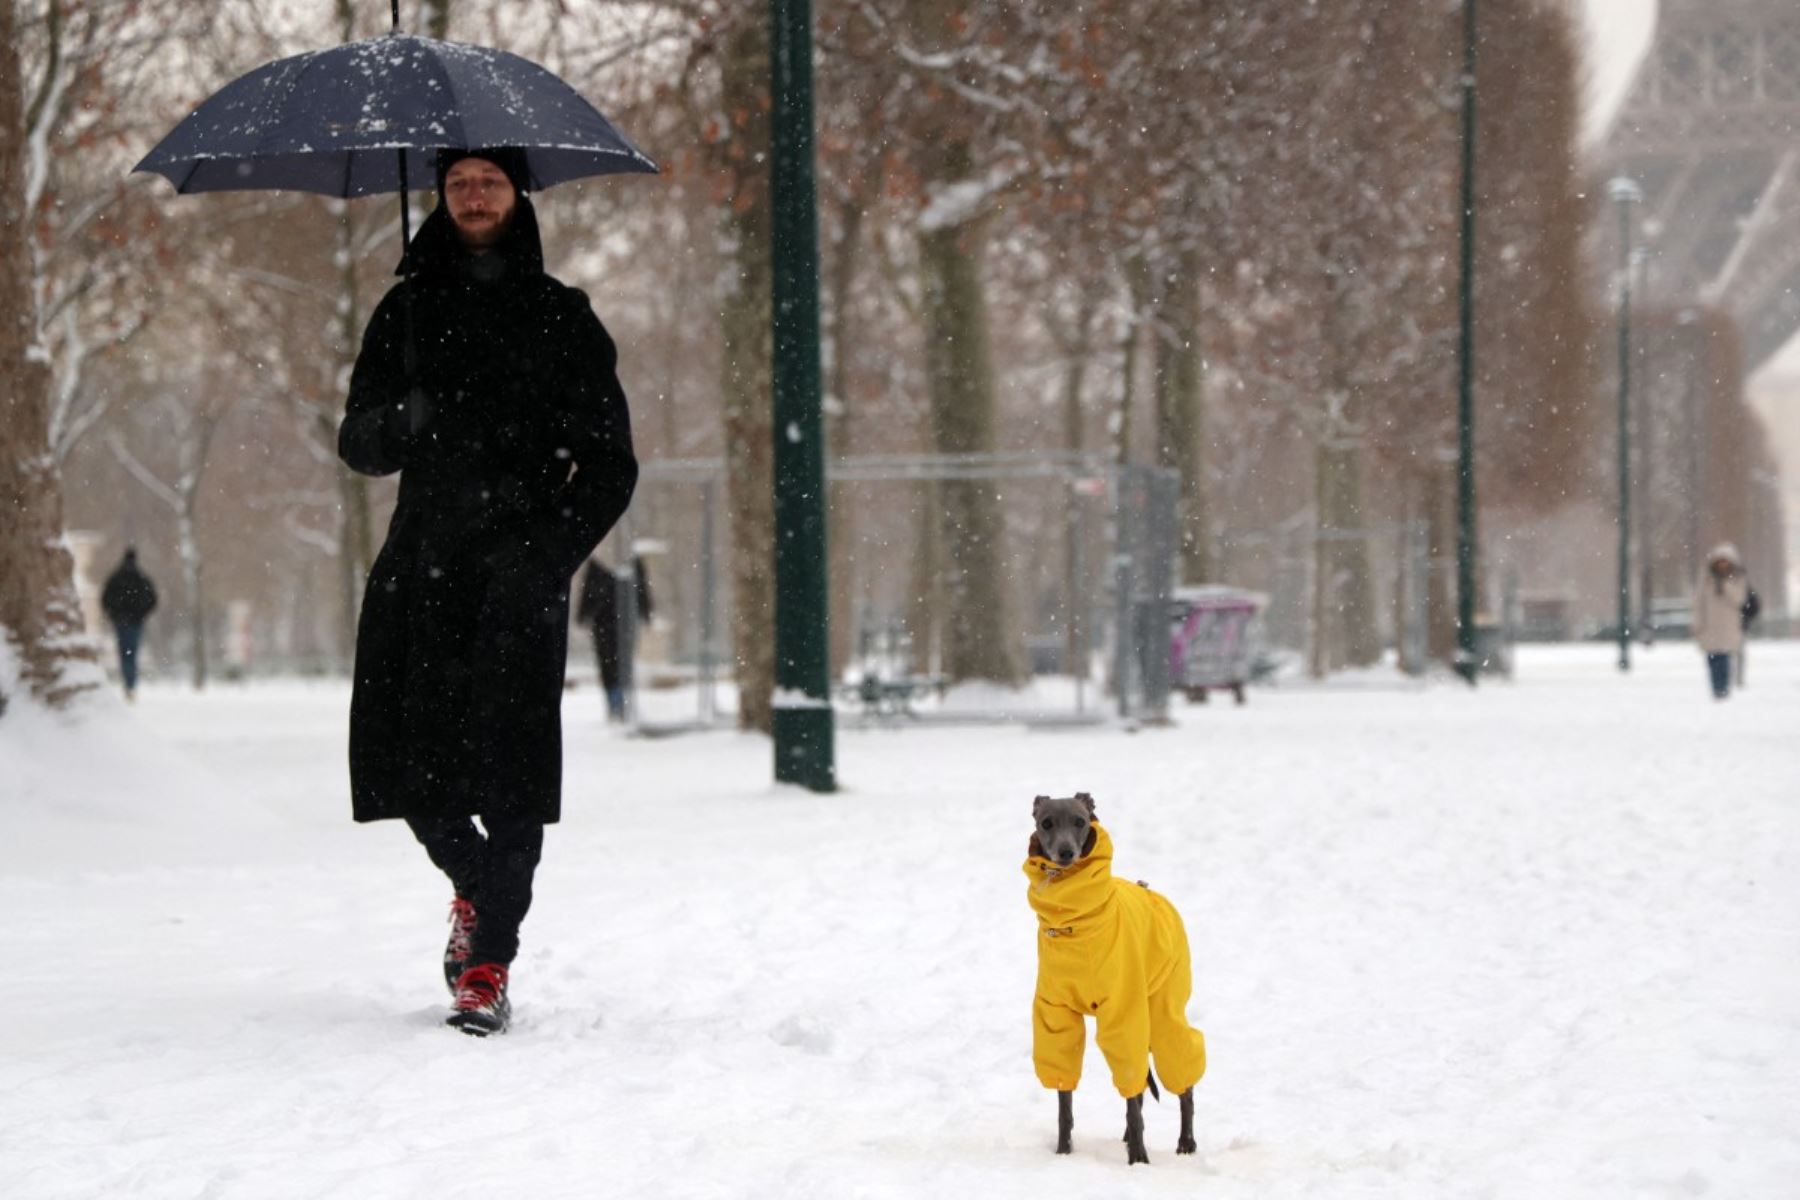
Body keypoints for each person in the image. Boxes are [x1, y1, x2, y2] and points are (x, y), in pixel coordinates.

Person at [337, 147, 637, 1036]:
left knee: (510, 780)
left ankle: (489, 963)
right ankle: (474, 886)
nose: (474, 195)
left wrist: (547, 556)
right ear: (440, 195)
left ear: (517, 196)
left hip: (519, 578)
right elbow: (358, 443)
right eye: (460, 182)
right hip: (421, 569)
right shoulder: (405, 312)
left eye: (490, 182)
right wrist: (403, 417)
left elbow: (613, 464)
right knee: (409, 766)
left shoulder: (563, 318)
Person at [576, 551, 654, 722]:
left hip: (617, 623)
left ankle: (620, 701)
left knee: (617, 664)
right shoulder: (598, 565)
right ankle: (616, 702)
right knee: (612, 665)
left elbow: (641, 591)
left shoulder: (629, 562)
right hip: (607, 624)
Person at [100, 547, 157, 701]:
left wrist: (114, 614)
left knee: (124, 652)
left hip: (121, 622)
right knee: (132, 652)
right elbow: (152, 599)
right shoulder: (141, 578)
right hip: (135, 622)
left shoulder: (116, 578)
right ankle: (131, 684)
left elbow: (105, 598)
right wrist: (141, 614)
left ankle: (128, 683)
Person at [1692, 542, 1748, 700]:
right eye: (1720, 561)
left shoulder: (1738, 578)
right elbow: (1699, 602)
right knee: (1712, 659)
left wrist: (1725, 586)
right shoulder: (1706, 579)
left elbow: (1740, 600)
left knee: (1724, 658)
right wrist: (1697, 622)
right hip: (1709, 626)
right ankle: (1716, 688)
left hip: (1728, 626)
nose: (1722, 565)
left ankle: (1723, 689)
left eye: (1725, 561)